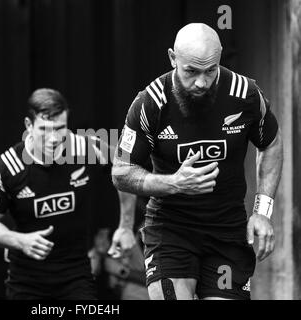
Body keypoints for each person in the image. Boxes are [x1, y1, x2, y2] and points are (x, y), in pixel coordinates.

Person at [111, 23, 283, 300]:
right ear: (172, 58)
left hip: (227, 232)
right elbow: (121, 172)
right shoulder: (150, 103)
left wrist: (263, 212)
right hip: (170, 231)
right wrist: (174, 183)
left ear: (219, 59)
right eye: (191, 71)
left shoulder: (246, 94)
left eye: (210, 71)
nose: (201, 83)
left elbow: (271, 143)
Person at [0, 88, 136, 300]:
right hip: (27, 281)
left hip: (75, 275)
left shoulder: (84, 148)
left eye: (60, 128)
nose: (53, 139)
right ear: (28, 126)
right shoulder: (9, 167)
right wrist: (19, 240)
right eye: (44, 130)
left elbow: (125, 169)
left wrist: (125, 226)